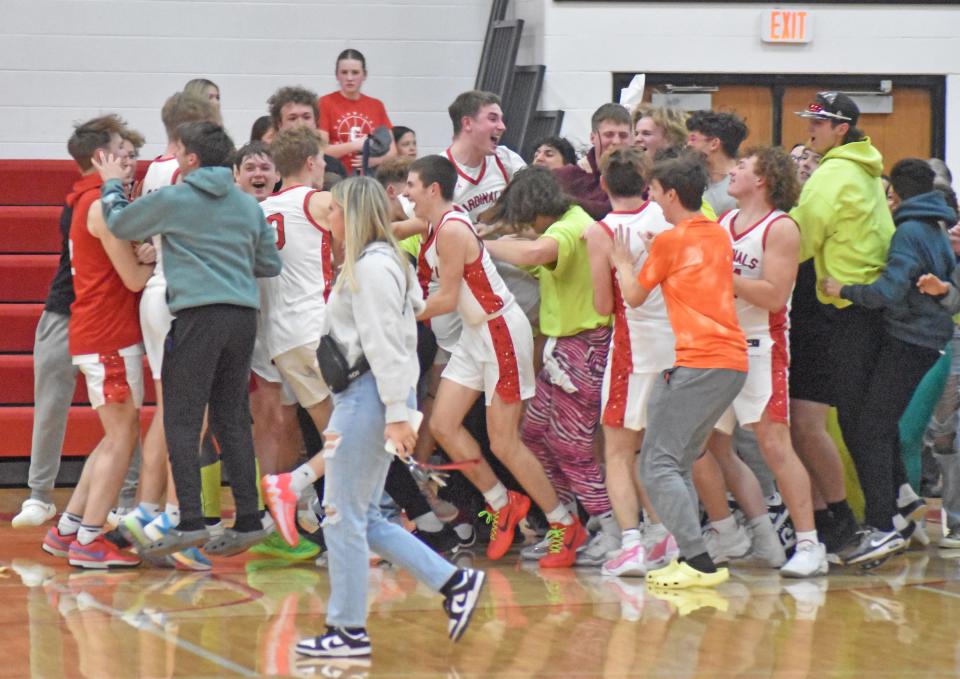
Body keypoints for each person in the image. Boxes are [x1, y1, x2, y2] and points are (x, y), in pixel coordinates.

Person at [293, 176, 484, 659]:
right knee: (361, 517)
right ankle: (455, 583)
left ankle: (348, 631)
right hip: (362, 398)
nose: (327, 217)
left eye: (334, 210)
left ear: (352, 214)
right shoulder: (379, 262)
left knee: (339, 516)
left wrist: (399, 414)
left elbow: (387, 346)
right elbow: (412, 311)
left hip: (368, 398)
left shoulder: (372, 267)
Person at [95, 121, 281, 558]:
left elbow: (120, 223)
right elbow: (269, 263)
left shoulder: (175, 198)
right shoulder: (246, 205)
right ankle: (250, 519)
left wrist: (110, 186)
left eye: (179, 151)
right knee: (230, 419)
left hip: (198, 317)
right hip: (243, 317)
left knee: (181, 418)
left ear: (192, 159)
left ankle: (191, 521)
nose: (175, 156)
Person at [409, 156, 584, 567]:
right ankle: (501, 502)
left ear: (433, 190)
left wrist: (392, 315)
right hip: (475, 334)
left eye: (412, 185)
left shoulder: (451, 229)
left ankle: (563, 523)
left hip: (499, 332)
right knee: (443, 424)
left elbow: (448, 299)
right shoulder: (436, 222)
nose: (406, 193)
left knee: (504, 441)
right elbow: (392, 228)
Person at [611, 151, 747, 589]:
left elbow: (632, 296)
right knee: (678, 462)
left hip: (700, 363)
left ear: (670, 194)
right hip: (730, 364)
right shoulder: (716, 233)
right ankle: (691, 556)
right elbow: (690, 268)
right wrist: (658, 250)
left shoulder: (671, 241)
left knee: (655, 465)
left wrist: (622, 262)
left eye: (653, 191)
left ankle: (698, 563)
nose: (650, 197)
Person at [820, 158, 956, 563]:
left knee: (871, 429)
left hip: (911, 340)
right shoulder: (934, 224)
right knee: (875, 424)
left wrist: (843, 288)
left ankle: (883, 526)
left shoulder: (910, 230)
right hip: (926, 340)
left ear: (893, 192)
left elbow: (889, 292)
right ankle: (902, 497)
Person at [485, 166, 615, 566]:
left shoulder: (573, 226)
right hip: (561, 349)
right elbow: (531, 259)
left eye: (527, 220)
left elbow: (536, 253)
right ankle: (568, 523)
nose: (526, 229)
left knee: (572, 447)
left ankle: (609, 526)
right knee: (534, 433)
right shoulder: (557, 229)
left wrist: (481, 244)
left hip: (587, 346)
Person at [41, 114, 154, 568]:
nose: (128, 159)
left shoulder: (86, 199)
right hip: (108, 333)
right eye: (120, 151)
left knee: (114, 436)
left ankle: (69, 527)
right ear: (99, 158)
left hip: (95, 330)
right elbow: (130, 280)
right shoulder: (100, 205)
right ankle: (90, 539)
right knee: (122, 436)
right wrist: (159, 261)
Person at [790, 91, 897, 564]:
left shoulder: (833, 173)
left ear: (842, 130)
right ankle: (883, 514)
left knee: (856, 423)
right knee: (858, 421)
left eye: (821, 122)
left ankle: (876, 524)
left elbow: (800, 239)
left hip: (843, 309)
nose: (811, 128)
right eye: (810, 119)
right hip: (860, 306)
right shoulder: (865, 170)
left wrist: (757, 251)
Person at [117, 92, 221, 571]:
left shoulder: (154, 171)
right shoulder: (189, 172)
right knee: (190, 416)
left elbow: (144, 232)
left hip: (159, 294)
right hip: (185, 296)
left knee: (169, 410)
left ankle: (147, 512)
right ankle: (182, 526)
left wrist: (153, 249)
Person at [714, 145, 828, 577]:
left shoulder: (781, 228)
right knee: (708, 444)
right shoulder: (725, 222)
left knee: (774, 444)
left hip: (761, 345)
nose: (734, 170)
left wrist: (723, 276)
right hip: (720, 343)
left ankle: (808, 543)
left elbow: (775, 295)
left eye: (743, 166)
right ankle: (744, 531)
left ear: (762, 179)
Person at [583, 146, 680, 577]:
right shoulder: (666, 217)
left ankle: (631, 544)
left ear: (602, 183)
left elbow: (604, 304)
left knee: (618, 452)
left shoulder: (602, 231)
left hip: (635, 345)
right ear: (645, 182)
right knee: (658, 451)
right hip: (678, 344)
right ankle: (665, 534)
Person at [318, 49, 396, 174]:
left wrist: (373, 160)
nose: (349, 78)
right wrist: (357, 145)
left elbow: (392, 152)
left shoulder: (376, 105)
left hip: (370, 179)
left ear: (364, 75)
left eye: (355, 72)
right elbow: (321, 150)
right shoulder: (325, 103)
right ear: (337, 75)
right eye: (344, 72)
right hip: (336, 177)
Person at [553, 104, 632, 220]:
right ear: (592, 138)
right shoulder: (567, 176)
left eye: (623, 135)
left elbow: (618, 210)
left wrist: (564, 200)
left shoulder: (640, 179)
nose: (616, 141)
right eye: (609, 135)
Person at [267, 86, 347, 178]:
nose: (301, 124)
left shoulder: (333, 167)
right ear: (279, 124)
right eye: (292, 118)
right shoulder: (267, 164)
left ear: (315, 122)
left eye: (306, 117)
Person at [685, 110, 748, 214]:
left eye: (693, 139)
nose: (688, 144)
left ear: (714, 144)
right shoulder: (690, 181)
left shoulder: (742, 189)